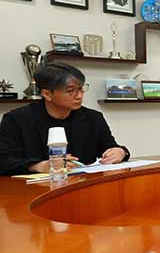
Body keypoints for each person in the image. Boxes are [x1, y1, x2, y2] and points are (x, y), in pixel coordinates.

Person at [0, 62, 130, 175]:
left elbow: (110, 148)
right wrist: (39, 166)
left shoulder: (93, 118)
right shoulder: (17, 120)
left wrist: (121, 152)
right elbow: (4, 161)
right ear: (47, 94)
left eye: (81, 89)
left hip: (82, 185)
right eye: (71, 91)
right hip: (33, 191)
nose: (79, 96)